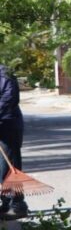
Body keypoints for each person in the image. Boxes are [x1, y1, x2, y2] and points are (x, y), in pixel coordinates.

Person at [0, 64, 27, 220]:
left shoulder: (5, 74)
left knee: (10, 167)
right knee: (2, 169)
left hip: (8, 125)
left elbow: (9, 98)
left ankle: (17, 204)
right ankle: (6, 202)